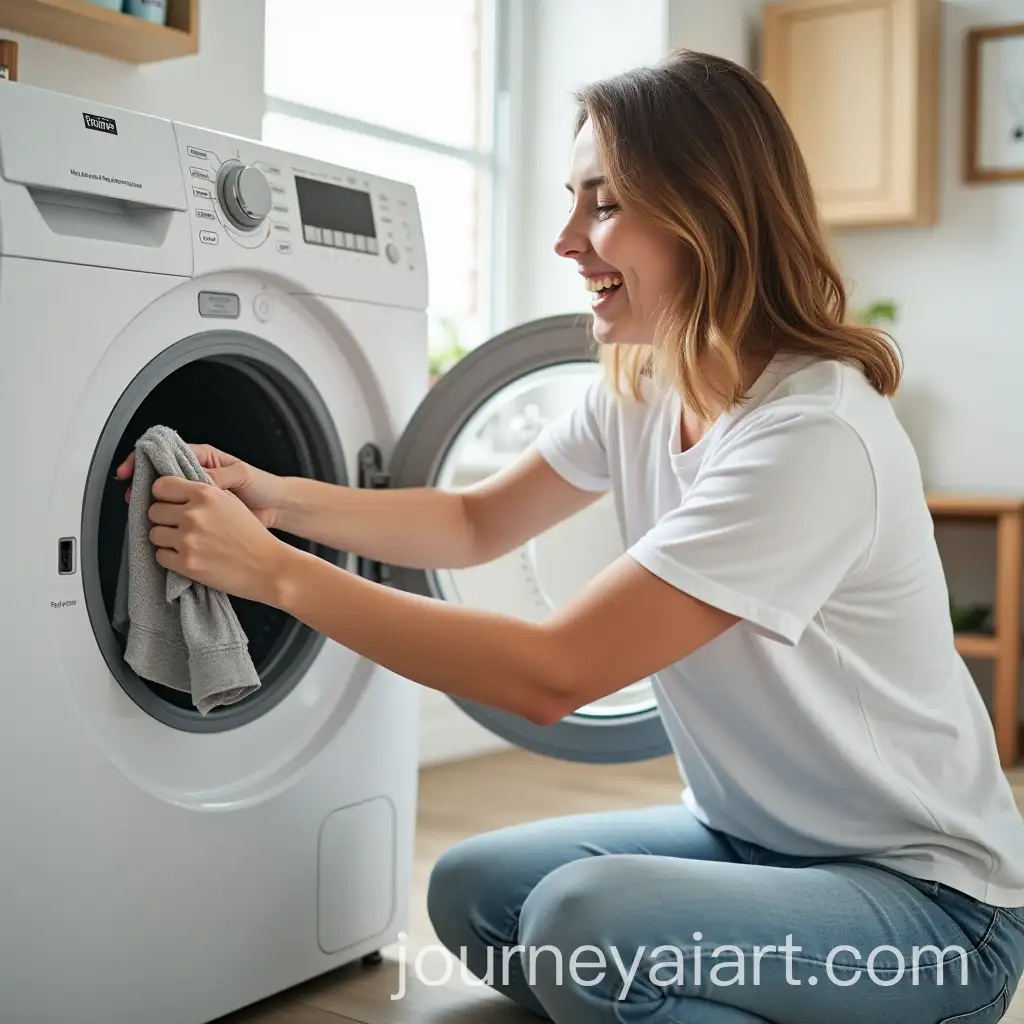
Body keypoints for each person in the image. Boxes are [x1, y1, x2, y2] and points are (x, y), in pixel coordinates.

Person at [115, 49, 1024, 1023]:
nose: (564, 239)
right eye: (570, 199)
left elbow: (553, 673)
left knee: (581, 926)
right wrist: (276, 497)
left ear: (706, 214)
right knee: (474, 892)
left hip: (934, 912)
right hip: (758, 842)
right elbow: (472, 521)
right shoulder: (646, 387)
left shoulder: (811, 437)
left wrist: (276, 575)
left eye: (602, 203)